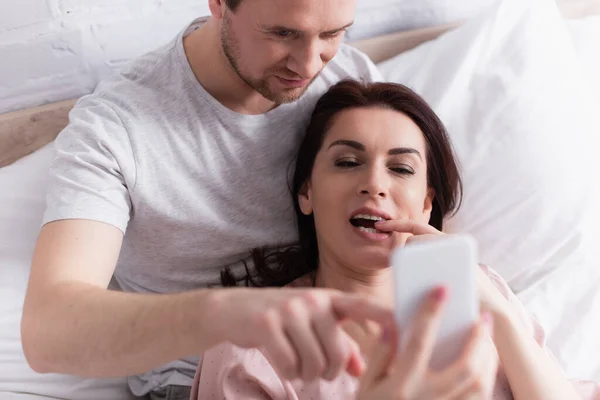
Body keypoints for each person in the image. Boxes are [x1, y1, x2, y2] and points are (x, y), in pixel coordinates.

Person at [20, 0, 399, 399]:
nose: (308, 66)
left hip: (343, 366)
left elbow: (417, 209)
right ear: (219, 3)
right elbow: (48, 334)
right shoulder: (115, 129)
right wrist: (226, 315)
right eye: (282, 33)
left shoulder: (348, 80)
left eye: (332, 34)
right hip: (195, 382)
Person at [192, 80, 600, 400]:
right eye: (348, 162)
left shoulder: (482, 289)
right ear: (307, 194)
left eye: (401, 169)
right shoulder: (250, 348)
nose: (374, 183)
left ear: (426, 205)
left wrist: (499, 312)